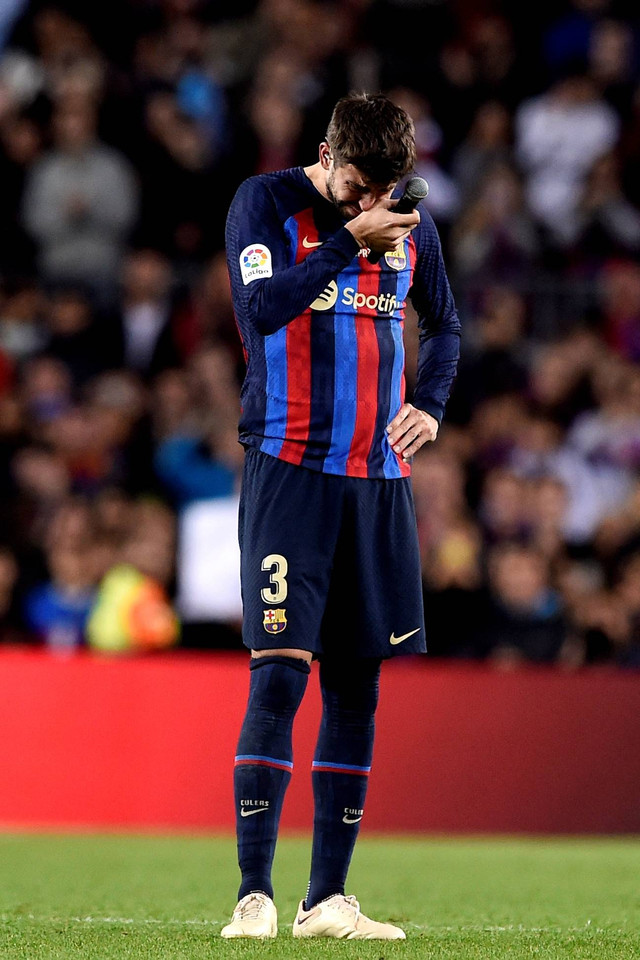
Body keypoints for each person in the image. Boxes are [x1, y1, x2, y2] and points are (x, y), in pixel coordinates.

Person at [222, 92, 461, 940]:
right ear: (327, 156)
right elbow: (261, 309)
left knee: (357, 686)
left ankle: (325, 900)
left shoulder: (412, 224)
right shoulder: (266, 203)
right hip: (290, 466)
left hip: (378, 480)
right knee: (281, 673)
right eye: (359, 186)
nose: (374, 204)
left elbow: (446, 325)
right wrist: (346, 240)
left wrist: (430, 403)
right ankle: (254, 896)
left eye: (385, 191)